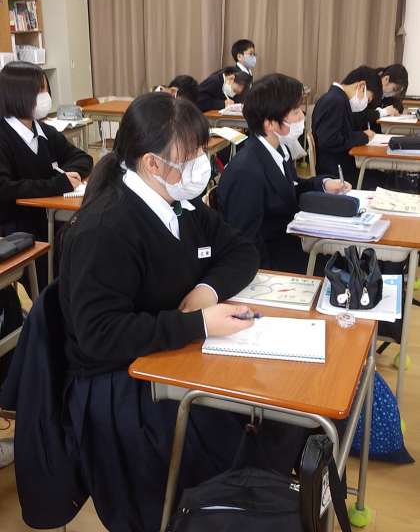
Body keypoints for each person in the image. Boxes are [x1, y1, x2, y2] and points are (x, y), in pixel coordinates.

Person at [59, 93, 310, 531]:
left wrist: (207, 290)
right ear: (152, 164)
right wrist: (195, 324)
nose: (201, 165)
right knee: (249, 427)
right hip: (125, 384)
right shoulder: (106, 228)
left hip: (174, 353)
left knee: (285, 405)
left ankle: (266, 503)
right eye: (191, 155)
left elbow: (242, 250)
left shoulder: (182, 206)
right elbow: (100, 334)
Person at [217, 73, 350, 274]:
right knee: (346, 270)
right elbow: (245, 241)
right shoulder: (246, 172)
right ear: (270, 123)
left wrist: (323, 184)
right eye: (295, 112)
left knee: (351, 260)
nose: (302, 117)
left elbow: (290, 189)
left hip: (290, 242)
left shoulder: (278, 149)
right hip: (271, 263)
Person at [0, 61, 93, 289]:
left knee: (84, 248)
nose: (46, 96)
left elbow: (82, 158)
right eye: (39, 90)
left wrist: (70, 174)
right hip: (15, 226)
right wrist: (58, 184)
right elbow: (5, 188)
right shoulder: (3, 136)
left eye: (45, 89)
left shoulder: (43, 131)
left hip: (48, 217)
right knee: (50, 276)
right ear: (19, 95)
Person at [312, 65, 382, 187]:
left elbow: (339, 134)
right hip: (336, 173)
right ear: (361, 86)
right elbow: (329, 140)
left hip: (339, 166)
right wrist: (362, 137)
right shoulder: (335, 101)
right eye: (368, 99)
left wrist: (361, 135)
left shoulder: (338, 98)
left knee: (383, 177)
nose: (366, 103)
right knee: (387, 181)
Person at [352, 64, 409, 131]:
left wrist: (394, 109)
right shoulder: (369, 84)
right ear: (386, 79)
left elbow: (398, 106)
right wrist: (383, 112)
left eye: (398, 92)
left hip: (372, 130)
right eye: (394, 89)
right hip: (356, 130)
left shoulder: (386, 90)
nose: (394, 94)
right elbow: (359, 115)